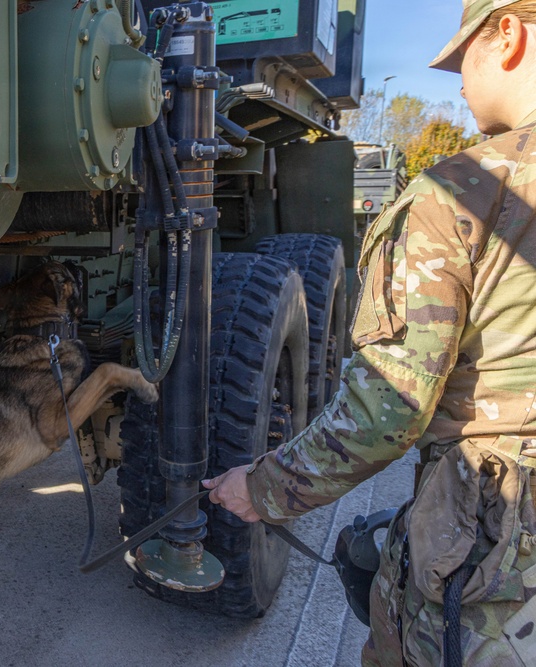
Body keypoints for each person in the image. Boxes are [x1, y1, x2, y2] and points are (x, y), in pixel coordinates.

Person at [202, 1, 536, 664]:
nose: (461, 85)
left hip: (499, 565)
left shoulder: (466, 194)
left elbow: (388, 407)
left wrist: (263, 488)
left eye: (460, 59)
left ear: (509, 35)